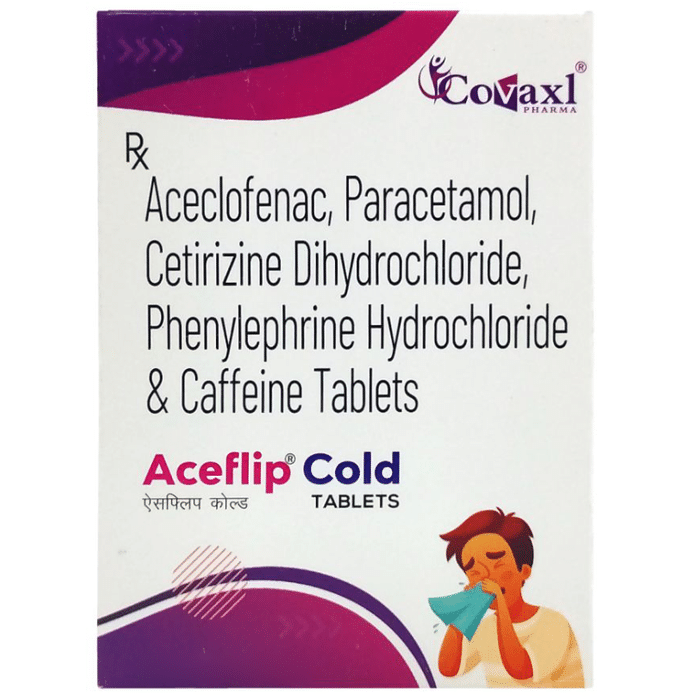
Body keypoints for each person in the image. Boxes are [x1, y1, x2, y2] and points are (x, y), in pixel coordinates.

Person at [437, 507, 584, 687]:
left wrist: (501, 603)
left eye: (497, 565)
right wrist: (464, 610)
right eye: (475, 573)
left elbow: (521, 670)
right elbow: (448, 668)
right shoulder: (487, 628)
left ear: (524, 571)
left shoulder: (552, 623)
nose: (485, 578)